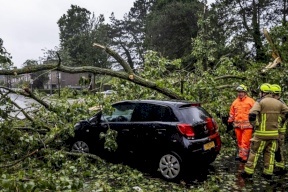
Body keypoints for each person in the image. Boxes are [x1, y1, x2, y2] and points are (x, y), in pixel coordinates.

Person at [241, 83, 288, 179]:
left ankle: (248, 172)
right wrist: (280, 121)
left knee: (254, 152)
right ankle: (268, 173)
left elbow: (252, 115)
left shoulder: (260, 102)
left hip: (260, 134)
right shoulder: (279, 103)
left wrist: (255, 124)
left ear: (262, 92)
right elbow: (287, 113)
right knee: (270, 153)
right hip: (274, 135)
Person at [227, 84, 255, 163]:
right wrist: (229, 122)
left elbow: (255, 112)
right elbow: (232, 113)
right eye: (239, 92)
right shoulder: (235, 102)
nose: (240, 93)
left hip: (248, 126)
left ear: (245, 92)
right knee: (239, 142)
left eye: (241, 92)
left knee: (245, 142)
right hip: (237, 126)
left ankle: (244, 157)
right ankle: (241, 155)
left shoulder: (251, 101)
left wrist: (256, 123)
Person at [271, 84, 287, 175]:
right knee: (274, 148)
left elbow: (284, 116)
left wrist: (278, 121)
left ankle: (280, 167)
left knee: (278, 148)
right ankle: (276, 165)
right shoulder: (276, 103)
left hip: (280, 130)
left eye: (275, 95)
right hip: (275, 129)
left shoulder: (281, 104)